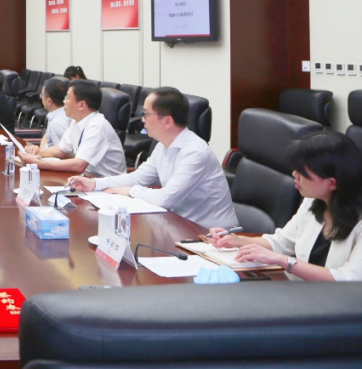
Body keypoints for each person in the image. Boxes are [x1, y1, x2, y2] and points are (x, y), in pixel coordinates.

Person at [68, 87, 237, 229]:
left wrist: (132, 191)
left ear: (167, 121)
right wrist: (95, 184)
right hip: (178, 224)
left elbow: (166, 198)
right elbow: (137, 178)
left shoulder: (195, 152)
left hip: (211, 234)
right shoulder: (163, 146)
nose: (142, 120)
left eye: (146, 114)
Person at [210, 131, 362, 281]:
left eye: (303, 172)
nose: (295, 174)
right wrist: (237, 241)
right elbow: (281, 242)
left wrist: (284, 261)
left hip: (338, 297)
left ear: (332, 183)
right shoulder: (314, 201)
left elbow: (349, 279)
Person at [19, 80, 126, 177]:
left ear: (81, 105)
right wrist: (39, 153)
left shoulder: (97, 126)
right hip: (87, 179)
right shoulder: (76, 122)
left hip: (108, 185)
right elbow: (61, 149)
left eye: (67, 98)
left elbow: (79, 165)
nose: (64, 101)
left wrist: (39, 164)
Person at [38, 77, 71, 150]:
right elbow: (47, 136)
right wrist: (41, 149)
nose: (41, 98)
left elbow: (66, 151)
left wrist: (41, 152)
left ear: (49, 101)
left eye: (41, 95)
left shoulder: (58, 124)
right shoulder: (56, 114)